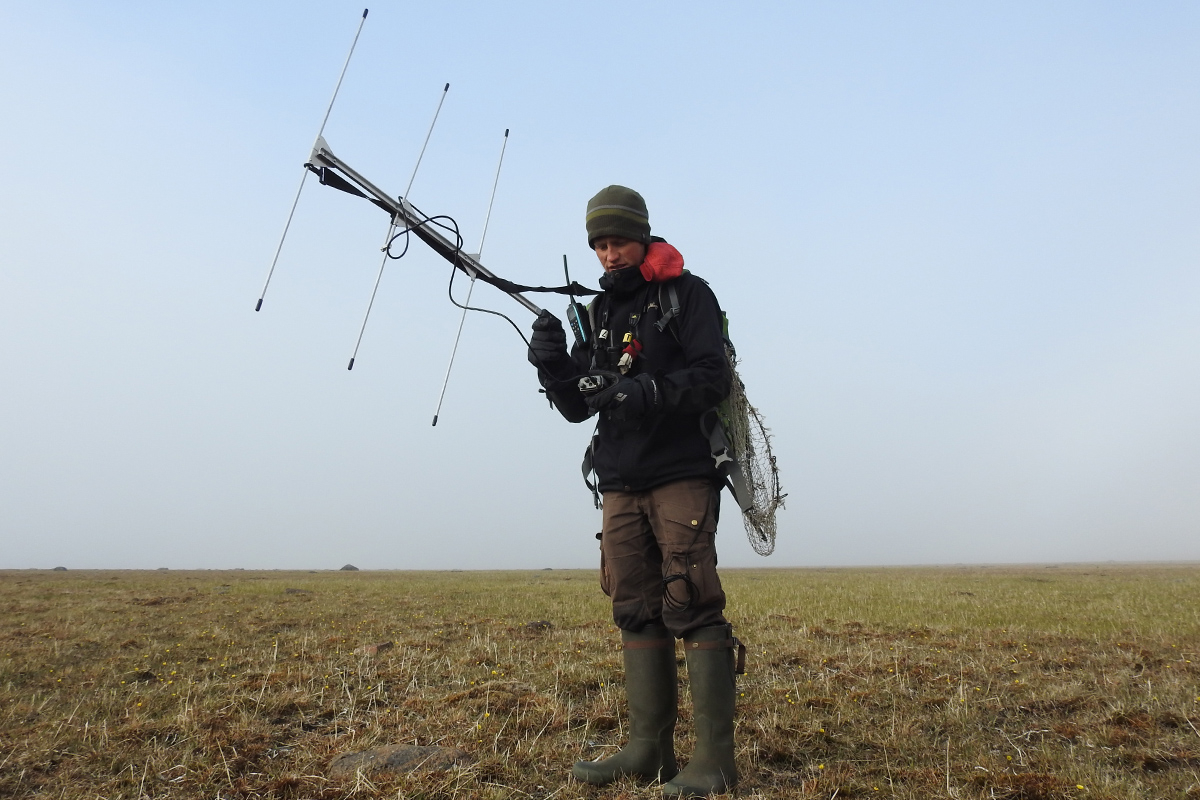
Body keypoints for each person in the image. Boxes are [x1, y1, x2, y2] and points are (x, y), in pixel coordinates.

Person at [527, 185, 744, 797]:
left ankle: (716, 762)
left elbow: (711, 377)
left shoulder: (687, 295)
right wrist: (552, 366)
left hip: (681, 472)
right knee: (634, 605)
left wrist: (644, 390)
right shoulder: (596, 315)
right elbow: (576, 405)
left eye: (617, 240)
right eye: (598, 244)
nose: (608, 254)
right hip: (619, 480)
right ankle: (649, 751)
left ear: (642, 235)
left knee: (692, 600)